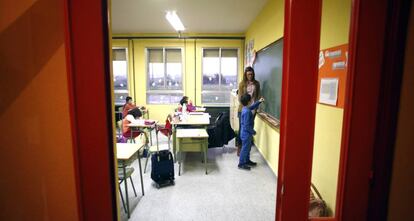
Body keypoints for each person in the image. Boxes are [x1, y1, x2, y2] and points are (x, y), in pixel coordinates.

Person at [237, 66, 261, 156]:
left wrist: (256, 107)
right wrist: (245, 107)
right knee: (242, 129)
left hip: (253, 110)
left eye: (251, 74)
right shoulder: (242, 84)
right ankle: (240, 147)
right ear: (245, 75)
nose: (250, 76)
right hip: (243, 109)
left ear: (253, 74)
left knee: (249, 128)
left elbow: (258, 96)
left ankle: (247, 147)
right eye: (248, 74)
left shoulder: (257, 84)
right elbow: (239, 97)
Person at [238, 93, 264, 170]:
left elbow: (252, 107)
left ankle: (247, 160)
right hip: (246, 133)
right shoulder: (247, 112)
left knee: (248, 148)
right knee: (245, 148)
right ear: (249, 101)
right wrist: (253, 132)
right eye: (251, 100)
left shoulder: (245, 108)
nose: (252, 101)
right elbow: (246, 126)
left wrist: (259, 101)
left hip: (246, 133)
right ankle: (241, 163)